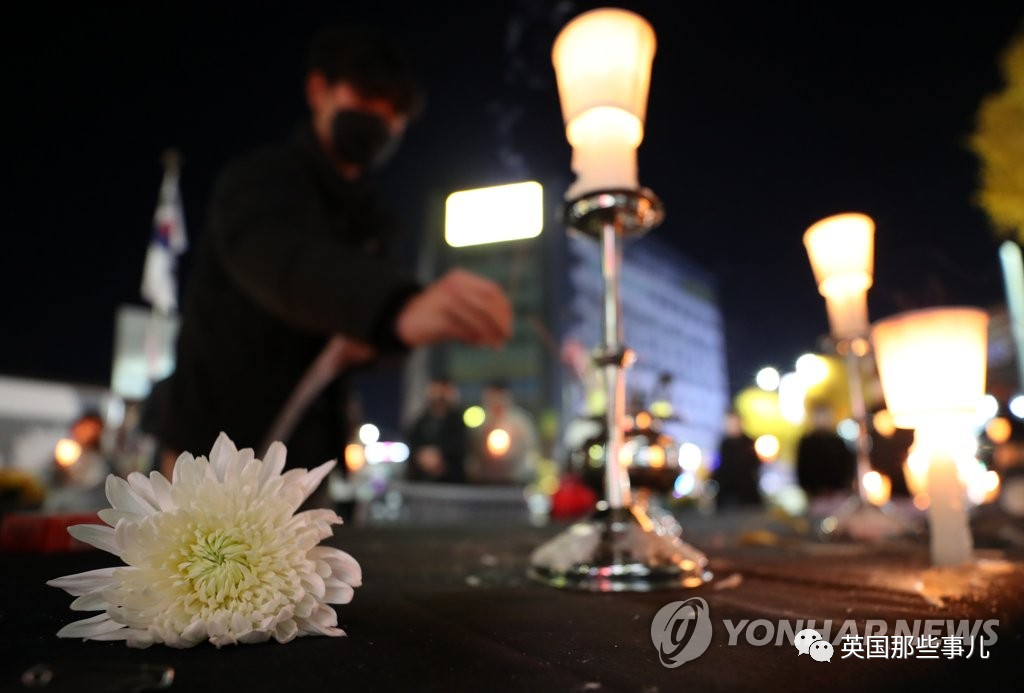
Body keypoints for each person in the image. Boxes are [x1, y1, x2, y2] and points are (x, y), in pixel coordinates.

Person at [150, 26, 511, 479]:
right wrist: (396, 307)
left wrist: (393, 330)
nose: (383, 116)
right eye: (369, 94)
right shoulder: (261, 181)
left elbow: (376, 333)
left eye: (397, 110)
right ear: (318, 90)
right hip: (205, 450)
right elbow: (289, 265)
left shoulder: (374, 222)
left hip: (304, 463)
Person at [466, 381, 538, 485]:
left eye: (500, 396)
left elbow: (531, 452)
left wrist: (524, 474)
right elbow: (471, 453)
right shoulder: (478, 422)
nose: (496, 401)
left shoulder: (521, 422)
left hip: (515, 481)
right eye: (492, 397)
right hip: (483, 482)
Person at [405, 377, 468, 483]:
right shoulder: (420, 421)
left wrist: (439, 458)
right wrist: (423, 458)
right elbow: (412, 444)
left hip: (451, 484)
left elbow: (460, 447)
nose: (439, 395)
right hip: (421, 483)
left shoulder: (458, 422)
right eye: (435, 391)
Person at [796, 404, 856, 499]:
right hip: (815, 494)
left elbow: (846, 464)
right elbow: (802, 466)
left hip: (837, 492)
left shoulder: (837, 441)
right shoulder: (807, 442)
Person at [712, 410, 762, 508]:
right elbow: (720, 468)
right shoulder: (725, 444)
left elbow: (755, 465)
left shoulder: (749, 443)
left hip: (747, 494)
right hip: (727, 495)